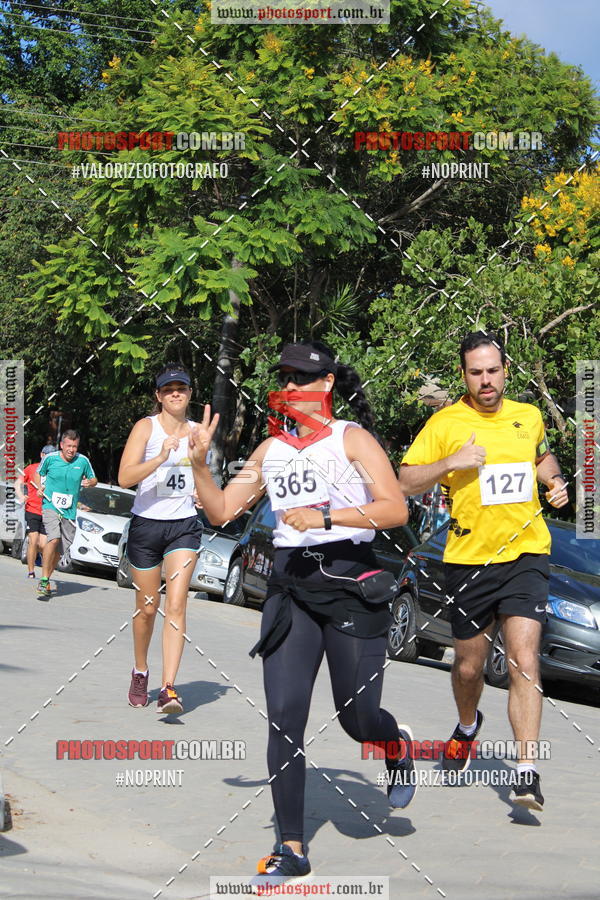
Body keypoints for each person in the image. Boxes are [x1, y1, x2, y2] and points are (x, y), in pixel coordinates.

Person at [187, 341, 415, 888]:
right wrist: (198, 465)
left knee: (356, 720)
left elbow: (395, 507)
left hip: (349, 582)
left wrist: (327, 515)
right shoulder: (270, 450)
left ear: (328, 383)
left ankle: (395, 744)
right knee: (285, 717)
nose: (291, 386)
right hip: (290, 588)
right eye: (284, 376)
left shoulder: (352, 439)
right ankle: (291, 845)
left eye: (302, 377)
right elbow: (220, 511)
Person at [398, 331, 569, 811]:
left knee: (524, 660)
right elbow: (404, 479)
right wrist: (452, 461)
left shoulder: (528, 416)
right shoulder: (446, 422)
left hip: (526, 555)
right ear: (464, 376)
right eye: (476, 372)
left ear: (505, 371)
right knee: (469, 666)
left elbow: (540, 457)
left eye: (493, 370)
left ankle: (527, 773)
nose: (486, 380)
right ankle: (468, 725)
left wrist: (554, 481)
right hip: (469, 561)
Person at [118, 363, 203, 715]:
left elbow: (203, 473)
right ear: (159, 396)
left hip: (184, 526)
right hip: (147, 527)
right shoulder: (146, 427)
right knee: (148, 609)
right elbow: (124, 477)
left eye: (181, 388)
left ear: (189, 393)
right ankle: (141, 670)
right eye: (168, 389)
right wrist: (161, 457)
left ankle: (168, 688)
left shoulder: (199, 431)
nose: (175, 394)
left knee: (178, 604)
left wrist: (203, 491)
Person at [33, 431, 97, 598]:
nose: (71, 450)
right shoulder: (50, 458)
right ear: (62, 445)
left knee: (60, 550)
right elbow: (38, 473)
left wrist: (91, 482)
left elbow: (94, 479)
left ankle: (47, 575)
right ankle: (44, 579)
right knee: (53, 538)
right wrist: (39, 487)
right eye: (68, 446)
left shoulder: (83, 461)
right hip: (50, 504)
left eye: (74, 446)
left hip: (69, 510)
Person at [16, 444, 56, 578]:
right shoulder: (31, 468)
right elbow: (17, 484)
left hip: (48, 511)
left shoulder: (56, 473)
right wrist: (21, 496)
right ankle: (31, 571)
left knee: (43, 544)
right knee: (33, 539)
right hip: (32, 509)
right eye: (47, 455)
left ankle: (38, 559)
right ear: (42, 455)